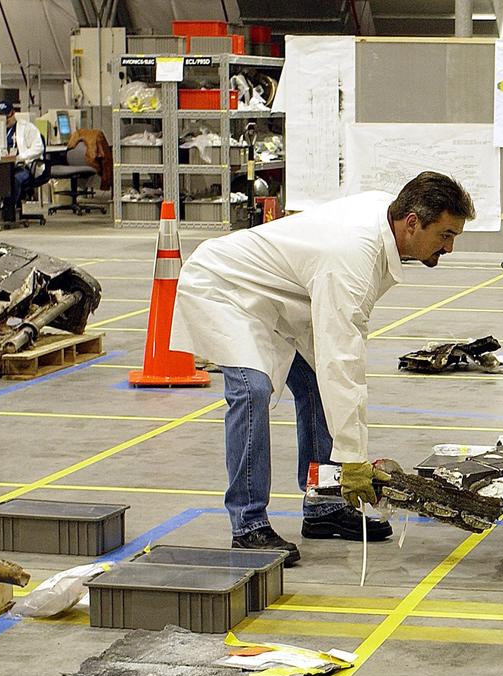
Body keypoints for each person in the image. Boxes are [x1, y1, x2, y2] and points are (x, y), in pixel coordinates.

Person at [172, 172, 475, 565]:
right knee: (253, 391)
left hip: (282, 299)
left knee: (316, 381)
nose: (448, 247)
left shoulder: (386, 216)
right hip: (224, 286)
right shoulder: (351, 256)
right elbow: (343, 358)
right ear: (413, 222)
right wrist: (354, 458)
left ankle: (324, 505)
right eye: (445, 235)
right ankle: (247, 526)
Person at [0, 101, 45, 219]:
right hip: (2, 166)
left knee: (14, 179)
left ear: (13, 113)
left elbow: (39, 148)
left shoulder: (27, 128)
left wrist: (20, 157)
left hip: (23, 167)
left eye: (6, 118)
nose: (5, 122)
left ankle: (9, 212)